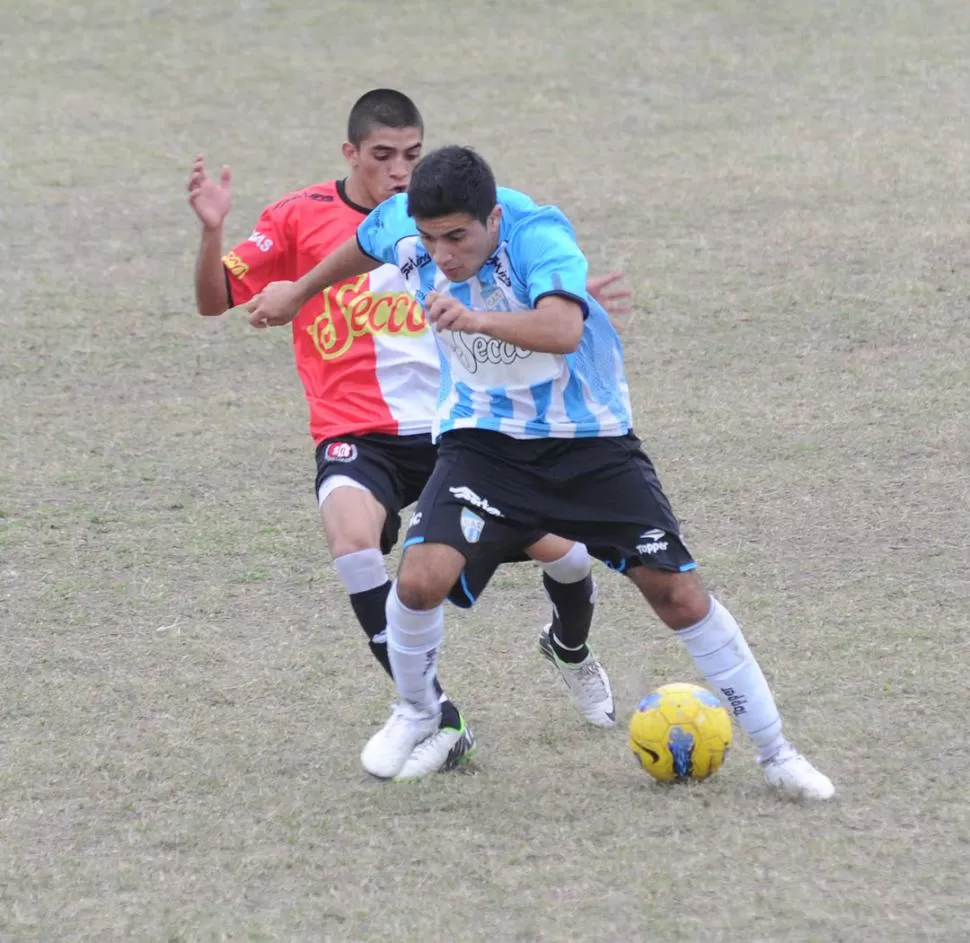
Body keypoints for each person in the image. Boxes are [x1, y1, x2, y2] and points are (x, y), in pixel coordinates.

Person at [246, 145, 837, 801]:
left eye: (458, 237)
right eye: (430, 239)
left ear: (492, 218)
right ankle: (418, 712)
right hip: (483, 443)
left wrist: (474, 318)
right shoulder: (401, 225)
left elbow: (561, 327)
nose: (443, 255)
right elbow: (363, 240)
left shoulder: (539, 232)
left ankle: (778, 754)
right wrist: (297, 292)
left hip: (589, 445)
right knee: (418, 580)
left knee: (679, 596)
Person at [188, 91, 626, 781]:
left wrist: (573, 301)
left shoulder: (446, 226)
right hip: (357, 435)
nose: (399, 170)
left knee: (570, 558)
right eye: (384, 156)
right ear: (351, 154)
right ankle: (433, 712)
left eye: (412, 155)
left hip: (460, 431)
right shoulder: (301, 218)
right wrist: (214, 231)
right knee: (352, 540)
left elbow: (528, 295)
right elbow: (215, 297)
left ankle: (568, 646)